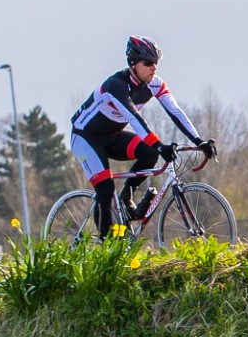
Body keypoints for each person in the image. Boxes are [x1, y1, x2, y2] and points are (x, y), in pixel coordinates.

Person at [70, 36, 217, 236]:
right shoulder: (116, 85)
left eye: (156, 63)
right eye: (148, 63)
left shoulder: (155, 84)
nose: (153, 67)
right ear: (133, 64)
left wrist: (199, 141)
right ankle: (106, 252)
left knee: (149, 153)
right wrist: (160, 145)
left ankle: (125, 196)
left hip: (112, 136)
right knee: (105, 189)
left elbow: (175, 112)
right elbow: (135, 119)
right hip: (86, 138)